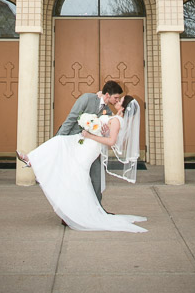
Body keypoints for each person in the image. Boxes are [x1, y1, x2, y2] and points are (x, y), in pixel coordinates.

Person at [16, 95, 146, 232]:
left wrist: (90, 135)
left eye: (120, 101)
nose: (117, 101)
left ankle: (36, 164)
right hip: (85, 143)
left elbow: (111, 142)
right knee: (60, 144)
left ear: (124, 107)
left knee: (75, 173)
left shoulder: (117, 121)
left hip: (90, 147)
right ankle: (33, 160)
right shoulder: (115, 117)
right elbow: (106, 131)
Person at [55, 80, 123, 207]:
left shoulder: (107, 111)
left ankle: (97, 210)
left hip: (90, 147)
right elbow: (71, 119)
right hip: (73, 141)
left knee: (97, 177)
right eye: (116, 97)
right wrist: (59, 140)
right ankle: (68, 211)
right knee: (73, 177)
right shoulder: (87, 98)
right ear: (107, 95)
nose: (117, 101)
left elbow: (111, 126)